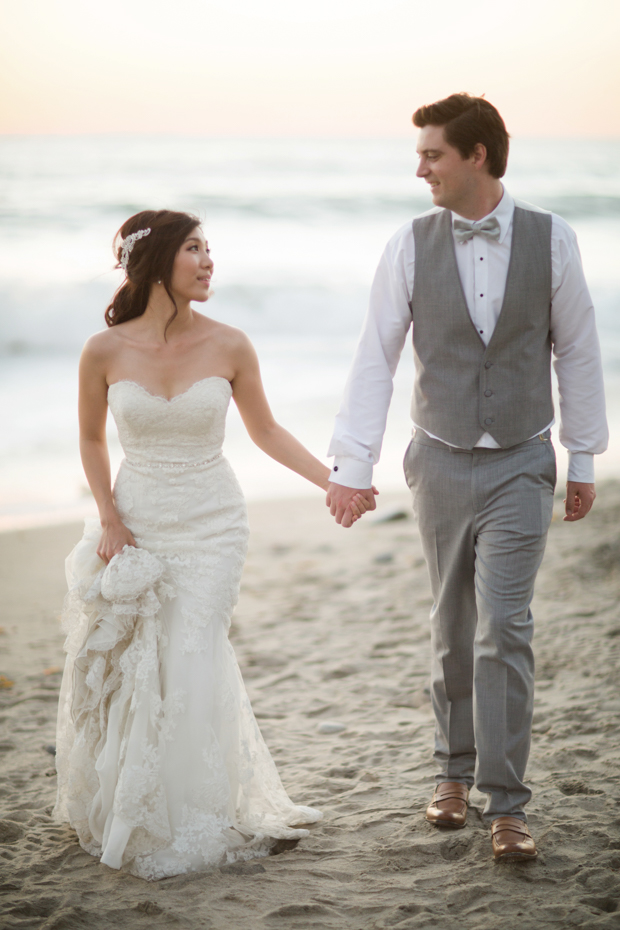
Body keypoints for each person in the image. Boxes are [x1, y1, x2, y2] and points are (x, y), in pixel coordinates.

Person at [326, 94, 608, 861]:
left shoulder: (554, 240)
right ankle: (452, 772)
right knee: (452, 626)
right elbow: (374, 358)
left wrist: (584, 458)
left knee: (504, 627)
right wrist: (353, 467)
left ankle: (507, 802)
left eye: (432, 155)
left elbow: (578, 350)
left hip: (523, 458)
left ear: (476, 155)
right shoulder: (407, 245)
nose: (421, 169)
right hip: (441, 457)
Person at [54, 209, 368, 880]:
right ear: (157, 260)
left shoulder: (230, 344)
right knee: (146, 661)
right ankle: (141, 807)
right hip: (138, 520)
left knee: (194, 650)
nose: (207, 261)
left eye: (209, 249)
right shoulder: (103, 350)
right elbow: (89, 438)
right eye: (194, 249)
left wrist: (336, 481)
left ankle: (199, 811)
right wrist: (108, 517)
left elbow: (267, 431)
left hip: (214, 523)